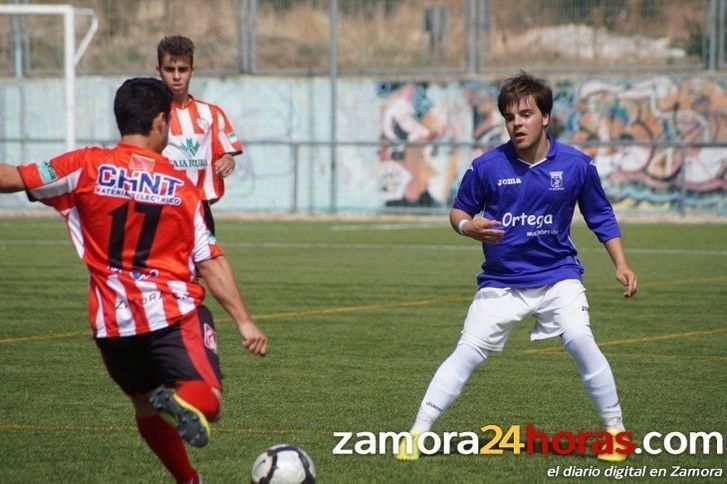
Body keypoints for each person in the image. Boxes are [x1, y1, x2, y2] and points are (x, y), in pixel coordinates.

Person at [0, 78, 267, 484]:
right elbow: (210, 261)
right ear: (161, 121)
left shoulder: (83, 167)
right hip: (171, 318)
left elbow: (17, 177)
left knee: (143, 405)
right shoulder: (181, 188)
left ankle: (188, 479)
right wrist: (245, 321)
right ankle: (177, 401)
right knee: (207, 401)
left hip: (113, 327)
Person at [396, 72, 638, 462]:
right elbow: (459, 211)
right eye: (510, 117)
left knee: (580, 338)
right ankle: (416, 434)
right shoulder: (487, 166)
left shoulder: (576, 165)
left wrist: (621, 264)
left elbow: (600, 216)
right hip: (501, 283)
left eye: (525, 114)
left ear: (546, 117)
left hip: (558, 277)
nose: (517, 123)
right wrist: (467, 226)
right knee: (467, 352)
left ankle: (615, 433)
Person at [157, 35, 242, 235]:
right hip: (163, 209)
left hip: (201, 208)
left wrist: (229, 160)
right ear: (159, 71)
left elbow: (226, 154)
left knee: (209, 265)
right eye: (170, 70)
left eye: (182, 69)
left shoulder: (211, 114)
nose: (176, 76)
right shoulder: (153, 115)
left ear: (192, 71)